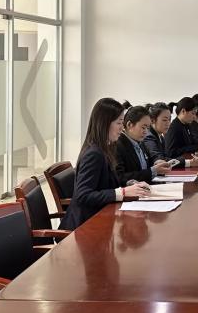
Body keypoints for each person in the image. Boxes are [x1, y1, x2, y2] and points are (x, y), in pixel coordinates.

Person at [60, 98, 149, 231]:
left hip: (99, 218)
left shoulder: (105, 148)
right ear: (105, 123)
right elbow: (83, 195)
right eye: (119, 123)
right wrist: (123, 192)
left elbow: (107, 182)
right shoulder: (93, 154)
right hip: (85, 226)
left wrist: (129, 184)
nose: (122, 127)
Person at [115, 103, 170, 184]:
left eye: (148, 128)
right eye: (143, 127)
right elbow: (120, 177)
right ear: (129, 125)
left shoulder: (140, 142)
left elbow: (145, 167)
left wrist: (156, 164)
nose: (146, 132)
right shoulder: (118, 145)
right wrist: (153, 170)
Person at [164, 97, 198, 166]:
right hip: (179, 165)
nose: (194, 117)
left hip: (187, 160)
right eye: (193, 113)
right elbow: (171, 153)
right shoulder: (174, 128)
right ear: (183, 111)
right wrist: (196, 147)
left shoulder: (186, 124)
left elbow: (192, 142)